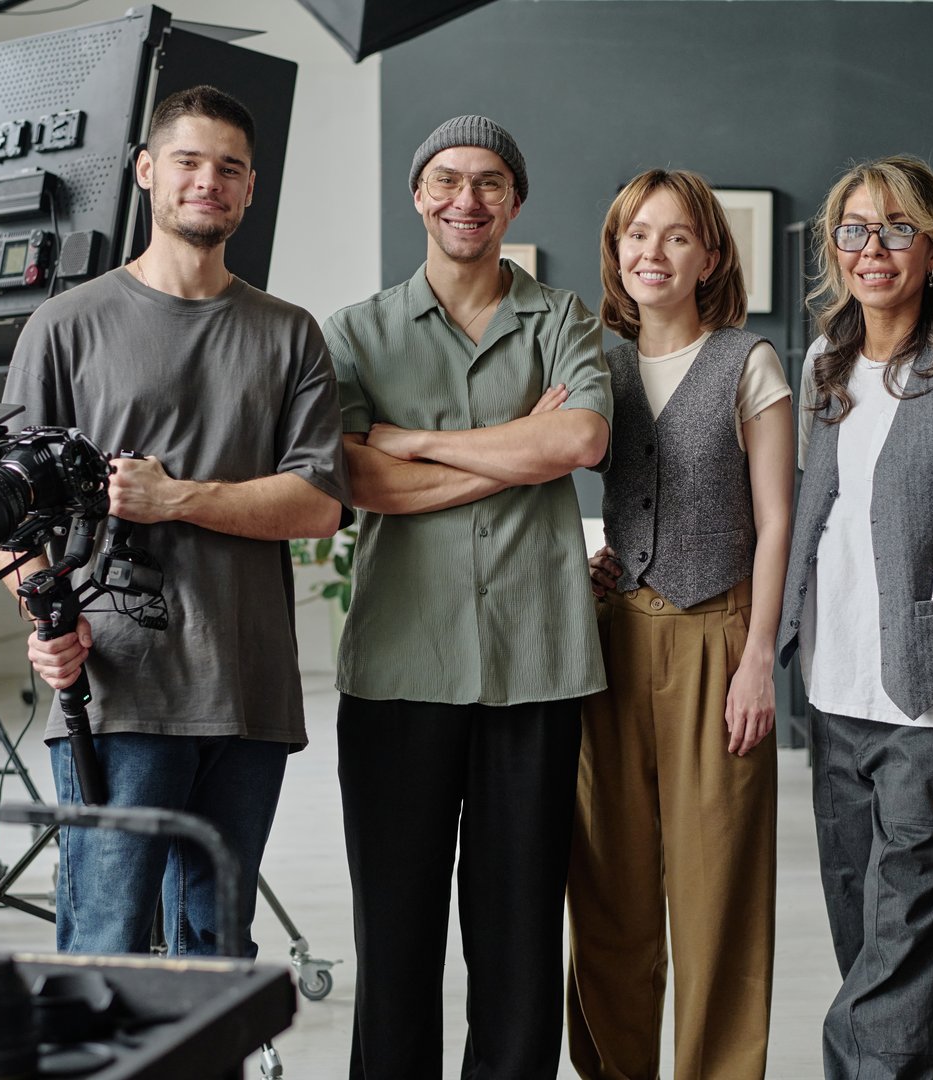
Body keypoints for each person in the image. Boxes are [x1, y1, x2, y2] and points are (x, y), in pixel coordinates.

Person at [1, 85, 350, 958]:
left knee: (214, 950)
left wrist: (179, 497)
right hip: (119, 688)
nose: (209, 181)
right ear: (148, 172)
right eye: (189, 162)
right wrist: (41, 615)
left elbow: (317, 504)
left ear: (249, 189)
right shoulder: (66, 326)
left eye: (229, 168)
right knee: (107, 948)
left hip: (248, 689)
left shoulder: (289, 334)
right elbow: (4, 508)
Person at [323, 114, 611, 1079]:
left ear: (514, 201)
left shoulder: (566, 320)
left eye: (489, 182)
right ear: (418, 194)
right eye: (447, 179)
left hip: (536, 664)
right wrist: (509, 451)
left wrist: (416, 440)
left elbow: (577, 444)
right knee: (395, 938)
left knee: (520, 937)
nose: (467, 199)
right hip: (402, 663)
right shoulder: (355, 333)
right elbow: (357, 484)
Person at [776, 154, 933, 1079]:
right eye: (853, 230)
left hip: (930, 717)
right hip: (836, 705)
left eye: (896, 229)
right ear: (834, 249)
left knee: (883, 999)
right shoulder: (823, 365)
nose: (871, 248)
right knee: (896, 962)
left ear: (932, 251)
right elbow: (819, 512)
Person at [567, 169, 793, 1080]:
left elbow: (778, 520)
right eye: (635, 235)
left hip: (717, 640)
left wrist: (758, 663)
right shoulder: (593, 359)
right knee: (610, 889)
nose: (652, 253)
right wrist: (577, 560)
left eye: (675, 237)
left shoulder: (750, 362)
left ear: (709, 255)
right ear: (616, 252)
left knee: (719, 897)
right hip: (613, 642)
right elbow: (551, 474)